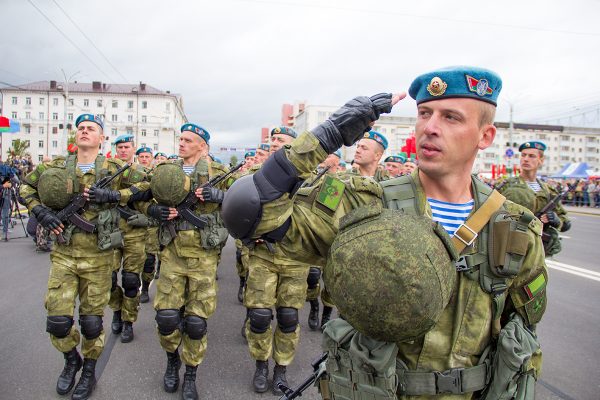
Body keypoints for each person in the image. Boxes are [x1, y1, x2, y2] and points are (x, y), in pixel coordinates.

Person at [221, 66, 547, 399]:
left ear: (485, 136)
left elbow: (519, 333)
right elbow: (251, 212)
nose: (430, 128)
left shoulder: (513, 227)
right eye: (424, 114)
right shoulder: (365, 203)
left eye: (451, 117)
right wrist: (329, 135)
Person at [20, 114, 149, 400]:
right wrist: (39, 211)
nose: (85, 131)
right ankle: (71, 360)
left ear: (102, 138)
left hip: (99, 258)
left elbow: (147, 187)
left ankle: (89, 370)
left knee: (91, 322)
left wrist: (115, 196)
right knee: (57, 321)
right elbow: (25, 187)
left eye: (91, 128)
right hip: (64, 255)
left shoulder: (116, 168)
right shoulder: (55, 166)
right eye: (81, 128)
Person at [146, 123, 229, 400]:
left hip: (204, 257)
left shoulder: (219, 173)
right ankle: (172, 361)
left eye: (187, 140)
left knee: (196, 323)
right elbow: (139, 198)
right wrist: (153, 209)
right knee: (167, 318)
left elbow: (246, 204)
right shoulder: (167, 171)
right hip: (171, 253)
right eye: (180, 139)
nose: (181, 143)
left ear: (202, 146)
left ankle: (191, 373)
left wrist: (221, 196)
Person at [230, 126, 311, 395]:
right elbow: (237, 213)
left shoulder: (314, 178)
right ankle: (261, 364)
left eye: (281, 140)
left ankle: (282, 368)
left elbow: (322, 220)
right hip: (263, 256)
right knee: (260, 316)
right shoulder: (255, 178)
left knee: (288, 317)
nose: (274, 143)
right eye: (273, 139)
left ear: (295, 146)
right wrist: (250, 238)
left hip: (295, 259)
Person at [107, 135, 149, 343]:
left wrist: (145, 217)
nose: (123, 150)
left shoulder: (143, 174)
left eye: (127, 147)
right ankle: (116, 309)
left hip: (134, 233)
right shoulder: (107, 172)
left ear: (134, 149)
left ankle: (128, 321)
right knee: (109, 279)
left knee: (131, 280)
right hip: (111, 231)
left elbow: (152, 199)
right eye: (120, 147)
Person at [497, 141, 570, 257]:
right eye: (523, 155)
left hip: (536, 250)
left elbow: (565, 222)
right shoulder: (505, 185)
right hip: (507, 245)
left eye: (532, 156)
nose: (526, 159)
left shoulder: (548, 191)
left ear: (541, 160)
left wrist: (556, 220)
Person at [136, 146, 160, 304]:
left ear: (151, 157)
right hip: (133, 223)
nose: (144, 159)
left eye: (147, 156)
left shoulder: (157, 175)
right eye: (141, 156)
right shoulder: (132, 174)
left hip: (151, 223)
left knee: (149, 258)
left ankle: (145, 287)